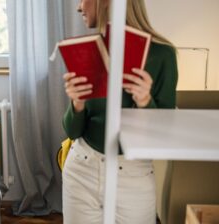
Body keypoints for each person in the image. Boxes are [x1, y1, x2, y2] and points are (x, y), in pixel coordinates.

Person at [62, 0, 178, 223]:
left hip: (133, 175)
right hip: (81, 170)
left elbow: (162, 135)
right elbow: (72, 131)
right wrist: (76, 104)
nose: (78, 7)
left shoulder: (162, 55)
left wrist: (145, 102)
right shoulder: (89, 50)